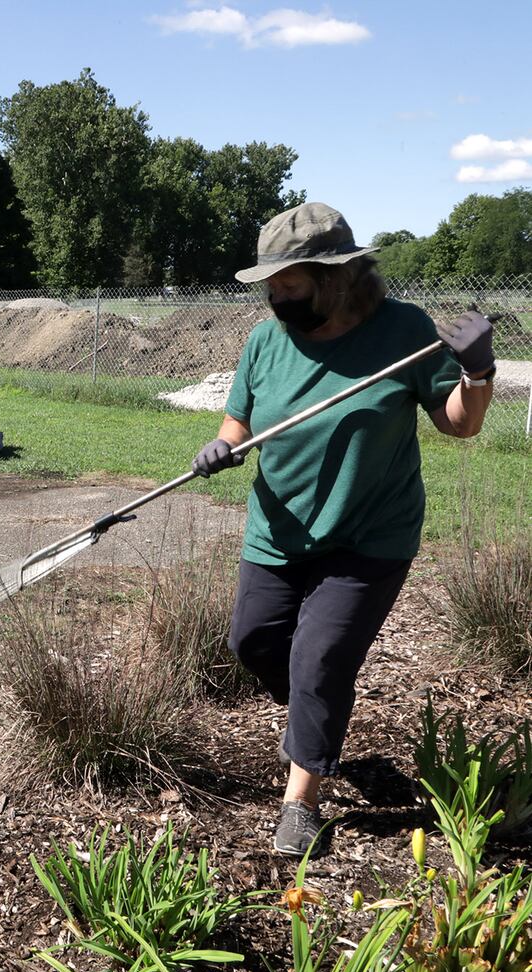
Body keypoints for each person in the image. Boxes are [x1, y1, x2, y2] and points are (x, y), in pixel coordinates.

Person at [191, 202, 494, 859]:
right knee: (255, 643)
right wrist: (223, 447)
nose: (276, 294)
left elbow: (459, 424)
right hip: (278, 530)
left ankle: (301, 804)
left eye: (290, 282)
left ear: (336, 277)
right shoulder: (266, 339)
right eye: (269, 282)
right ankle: (315, 715)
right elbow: (239, 419)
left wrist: (476, 373)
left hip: (368, 537)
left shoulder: (402, 331)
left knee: (320, 659)